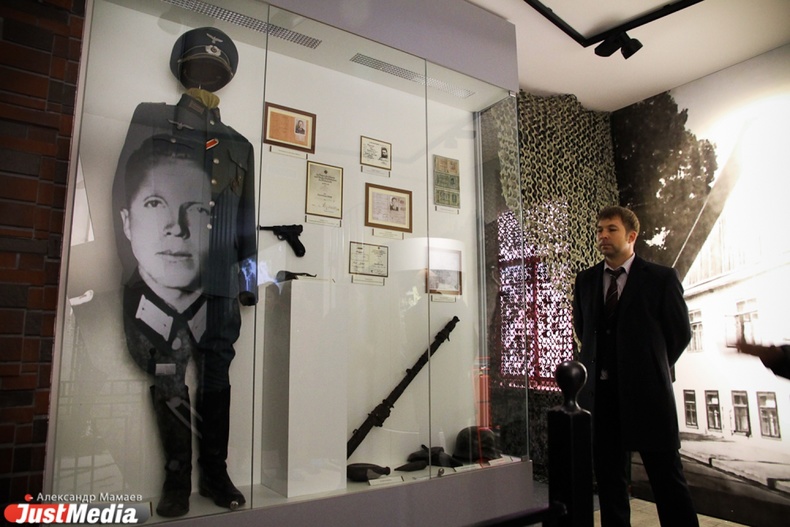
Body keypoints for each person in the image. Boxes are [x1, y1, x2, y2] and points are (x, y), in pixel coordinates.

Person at [112, 27, 257, 518]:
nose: (206, 76)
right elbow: (120, 195)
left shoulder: (239, 145)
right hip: (159, 284)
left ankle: (215, 474)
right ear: (183, 70)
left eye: (215, 70)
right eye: (199, 67)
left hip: (218, 282)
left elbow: (245, 219)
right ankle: (175, 480)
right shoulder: (151, 120)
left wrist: (248, 282)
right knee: (168, 376)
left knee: (217, 378)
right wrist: (133, 268)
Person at [572, 205, 699, 527]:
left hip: (648, 397)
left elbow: (680, 334)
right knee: (610, 483)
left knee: (667, 480)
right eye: (599, 230)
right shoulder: (586, 280)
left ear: (631, 236)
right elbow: (584, 329)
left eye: (611, 229)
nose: (602, 235)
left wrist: (649, 367)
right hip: (600, 398)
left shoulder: (661, 279)